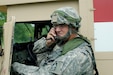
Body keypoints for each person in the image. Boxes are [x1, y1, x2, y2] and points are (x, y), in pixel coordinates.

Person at [12, 7, 99, 75]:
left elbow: (46, 73)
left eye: (61, 25)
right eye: (55, 25)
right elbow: (35, 49)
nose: (57, 29)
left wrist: (15, 67)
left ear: (72, 27)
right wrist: (47, 43)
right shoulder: (62, 41)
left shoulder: (78, 55)